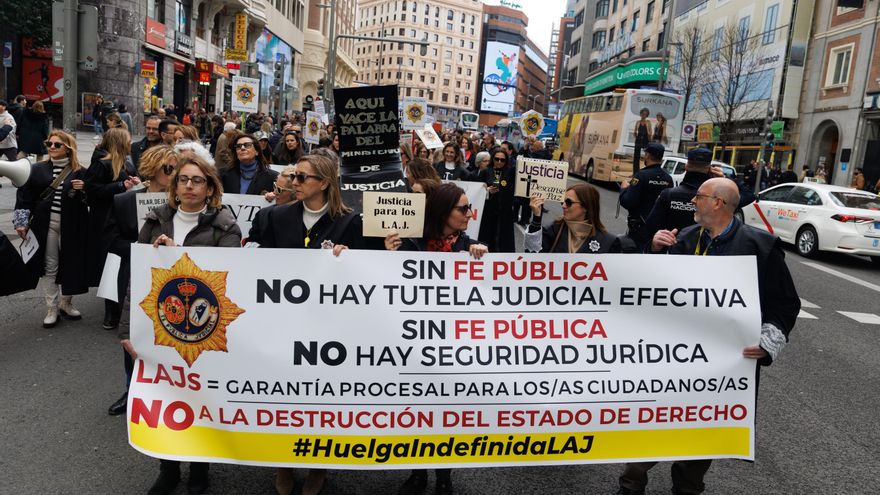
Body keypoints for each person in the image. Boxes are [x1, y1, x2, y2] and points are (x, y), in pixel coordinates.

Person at [622, 177, 800, 495]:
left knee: (704, 432)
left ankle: (687, 486)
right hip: (673, 360)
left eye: (699, 197)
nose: (692, 201)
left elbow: (785, 304)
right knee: (651, 422)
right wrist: (654, 250)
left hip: (724, 366)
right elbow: (652, 291)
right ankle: (632, 483)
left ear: (718, 202)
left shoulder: (761, 248)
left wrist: (766, 343)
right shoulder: (684, 238)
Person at [136, 155, 241, 495]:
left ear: (210, 187)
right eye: (183, 179)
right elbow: (136, 281)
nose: (189, 186)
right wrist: (128, 330)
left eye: (197, 180)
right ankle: (167, 468)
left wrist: (177, 251)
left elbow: (231, 280)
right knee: (166, 397)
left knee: (201, 399)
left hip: (206, 329)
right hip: (160, 328)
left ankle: (199, 470)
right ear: (174, 184)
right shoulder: (155, 220)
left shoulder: (224, 226)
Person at [103, 145, 180, 416]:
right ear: (153, 168)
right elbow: (110, 238)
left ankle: (173, 392)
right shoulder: (125, 201)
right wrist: (140, 249)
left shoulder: (184, 203)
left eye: (176, 169)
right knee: (132, 336)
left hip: (174, 279)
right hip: (136, 275)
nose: (174, 174)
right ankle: (132, 390)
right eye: (169, 168)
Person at [12, 130, 90, 327]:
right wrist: (20, 222)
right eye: (49, 144)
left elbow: (92, 199)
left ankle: (66, 302)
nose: (52, 148)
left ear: (69, 148)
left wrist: (85, 189)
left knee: (72, 262)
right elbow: (24, 196)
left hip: (73, 224)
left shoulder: (81, 171)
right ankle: (52, 308)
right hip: (45, 224)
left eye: (57, 145)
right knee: (49, 266)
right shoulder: (37, 169)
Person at [86, 128, 139, 329]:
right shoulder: (102, 164)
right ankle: (111, 312)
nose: (131, 142)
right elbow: (91, 192)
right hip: (104, 221)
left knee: (120, 266)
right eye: (128, 139)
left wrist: (137, 183)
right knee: (111, 265)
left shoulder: (128, 163)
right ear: (120, 142)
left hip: (123, 220)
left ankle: (118, 310)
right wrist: (119, 187)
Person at [258, 154, 362, 252]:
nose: (294, 183)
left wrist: (348, 255)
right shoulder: (278, 215)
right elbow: (267, 258)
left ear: (324, 183)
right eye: (294, 176)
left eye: (302, 177)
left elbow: (359, 264)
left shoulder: (349, 222)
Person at [635, 148, 715, 249]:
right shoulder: (716, 200)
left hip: (669, 254)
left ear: (686, 167)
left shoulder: (668, 195)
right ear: (709, 169)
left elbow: (649, 230)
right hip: (702, 257)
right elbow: (737, 201)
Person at [526, 184, 634, 253]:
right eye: (562, 201)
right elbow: (532, 254)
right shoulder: (554, 230)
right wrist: (536, 217)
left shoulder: (608, 241)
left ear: (586, 207)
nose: (563, 205)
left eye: (568, 202)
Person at [619, 143, 672, 239]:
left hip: (640, 228)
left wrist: (623, 189)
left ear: (647, 155)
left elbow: (628, 202)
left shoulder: (641, 176)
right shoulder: (668, 178)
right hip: (659, 229)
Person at [477, 146, 516, 252]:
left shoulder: (510, 172)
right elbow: (478, 191)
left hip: (505, 212)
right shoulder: (485, 172)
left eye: (502, 160)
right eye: (496, 159)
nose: (499, 162)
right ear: (492, 159)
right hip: (488, 211)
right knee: (487, 237)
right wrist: (487, 191)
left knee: (503, 239)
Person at [632, 108, 652, 172]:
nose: (644, 115)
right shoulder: (638, 122)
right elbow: (635, 132)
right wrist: (636, 137)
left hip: (646, 140)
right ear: (640, 114)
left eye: (645, 114)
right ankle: (635, 172)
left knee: (648, 156)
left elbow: (650, 132)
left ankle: (647, 171)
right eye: (643, 114)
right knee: (636, 157)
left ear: (647, 115)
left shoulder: (648, 122)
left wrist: (650, 140)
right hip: (638, 139)